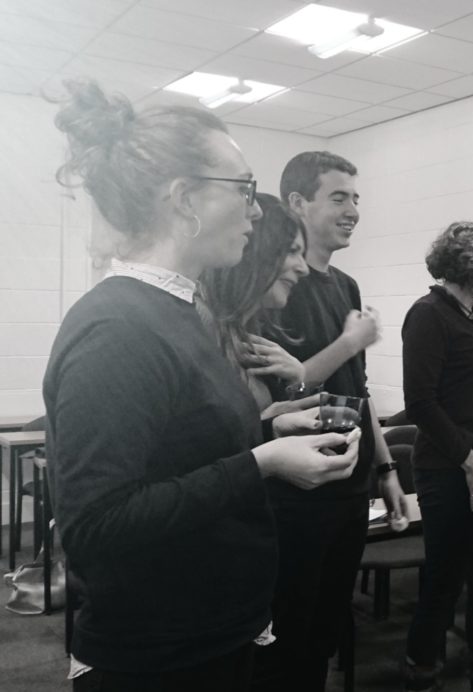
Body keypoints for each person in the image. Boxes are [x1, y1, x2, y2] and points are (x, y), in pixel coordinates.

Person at [45, 79, 361, 692]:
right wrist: (262, 462)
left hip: (208, 629)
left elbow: (179, 448)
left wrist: (270, 427)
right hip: (160, 653)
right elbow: (95, 527)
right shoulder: (117, 327)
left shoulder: (181, 311)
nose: (255, 210)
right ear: (184, 199)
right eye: (243, 190)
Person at [252, 152, 408, 691]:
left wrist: (386, 471)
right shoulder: (270, 289)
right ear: (297, 204)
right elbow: (279, 398)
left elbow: (355, 389)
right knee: (289, 630)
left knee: (328, 627)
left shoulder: (345, 287)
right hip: (298, 491)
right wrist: (347, 343)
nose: (353, 211)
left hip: (350, 484)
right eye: (338, 198)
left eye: (356, 199)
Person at [401, 221, 473, 692]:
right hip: (451, 469)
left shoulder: (470, 315)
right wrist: (468, 461)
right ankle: (421, 671)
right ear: (470, 265)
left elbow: (470, 390)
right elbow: (421, 402)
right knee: (445, 579)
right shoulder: (429, 314)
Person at [198, 194, 311, 415]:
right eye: (292, 251)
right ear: (255, 250)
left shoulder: (244, 331)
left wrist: (297, 379)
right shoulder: (199, 319)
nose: (303, 268)